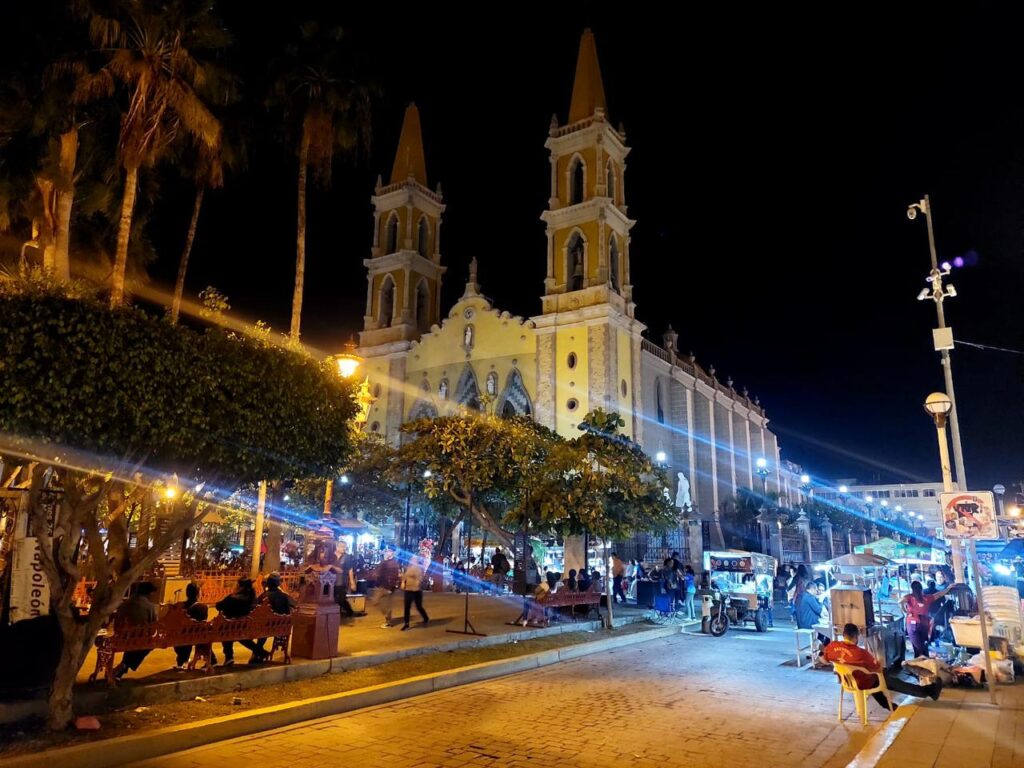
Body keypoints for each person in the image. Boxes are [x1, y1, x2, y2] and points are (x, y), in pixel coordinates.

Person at [823, 623, 941, 710]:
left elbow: (823, 659)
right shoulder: (860, 653)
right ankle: (928, 691)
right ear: (856, 636)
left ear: (843, 634)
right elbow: (878, 668)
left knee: (876, 679)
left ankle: (891, 706)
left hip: (846, 682)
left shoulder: (832, 646)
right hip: (864, 681)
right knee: (893, 682)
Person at [112, 582, 159, 679]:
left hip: (121, 636)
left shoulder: (125, 603)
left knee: (135, 641)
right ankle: (125, 665)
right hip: (137, 638)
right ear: (149, 593)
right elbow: (153, 626)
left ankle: (124, 665)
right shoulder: (149, 606)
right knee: (149, 643)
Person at [216, 577, 267, 666]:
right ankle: (260, 651)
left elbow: (219, 606)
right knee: (235, 632)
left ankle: (229, 656)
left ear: (240, 587)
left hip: (232, 628)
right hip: (247, 627)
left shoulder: (232, 599)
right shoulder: (252, 598)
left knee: (226, 629)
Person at [901, 580, 953, 658]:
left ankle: (920, 663)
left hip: (912, 623)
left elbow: (900, 601)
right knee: (923, 645)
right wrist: (948, 589)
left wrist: (905, 611)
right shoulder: (926, 598)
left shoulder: (909, 597)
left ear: (912, 589)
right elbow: (938, 595)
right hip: (924, 623)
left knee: (917, 648)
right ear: (921, 589)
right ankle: (924, 662)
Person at [173, 582, 215, 670]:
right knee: (202, 634)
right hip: (196, 636)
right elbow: (203, 622)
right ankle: (212, 659)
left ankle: (182, 661)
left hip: (180, 636)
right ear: (198, 593)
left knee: (187, 634)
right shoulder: (203, 607)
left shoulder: (180, 606)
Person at [400, 550, 430, 630]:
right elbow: (405, 576)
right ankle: (406, 623)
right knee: (407, 607)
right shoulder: (408, 568)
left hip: (416, 591)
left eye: (413, 559)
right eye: (411, 559)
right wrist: (403, 582)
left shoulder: (418, 568)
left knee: (418, 606)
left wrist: (417, 583)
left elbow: (419, 577)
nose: (412, 560)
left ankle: (426, 618)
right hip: (408, 589)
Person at [372, 547, 402, 628]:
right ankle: (387, 617)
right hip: (382, 585)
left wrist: (390, 588)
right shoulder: (386, 561)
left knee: (386, 604)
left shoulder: (393, 563)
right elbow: (379, 570)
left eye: (388, 551)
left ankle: (388, 622)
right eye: (386, 551)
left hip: (387, 586)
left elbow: (394, 576)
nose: (386, 553)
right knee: (377, 601)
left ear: (392, 553)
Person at [334, 541, 360, 618]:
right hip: (330, 582)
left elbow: (350, 570)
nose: (344, 548)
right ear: (337, 547)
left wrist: (352, 582)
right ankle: (337, 613)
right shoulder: (332, 556)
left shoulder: (347, 557)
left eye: (345, 547)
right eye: (342, 546)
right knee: (333, 598)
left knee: (342, 598)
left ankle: (349, 612)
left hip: (342, 581)